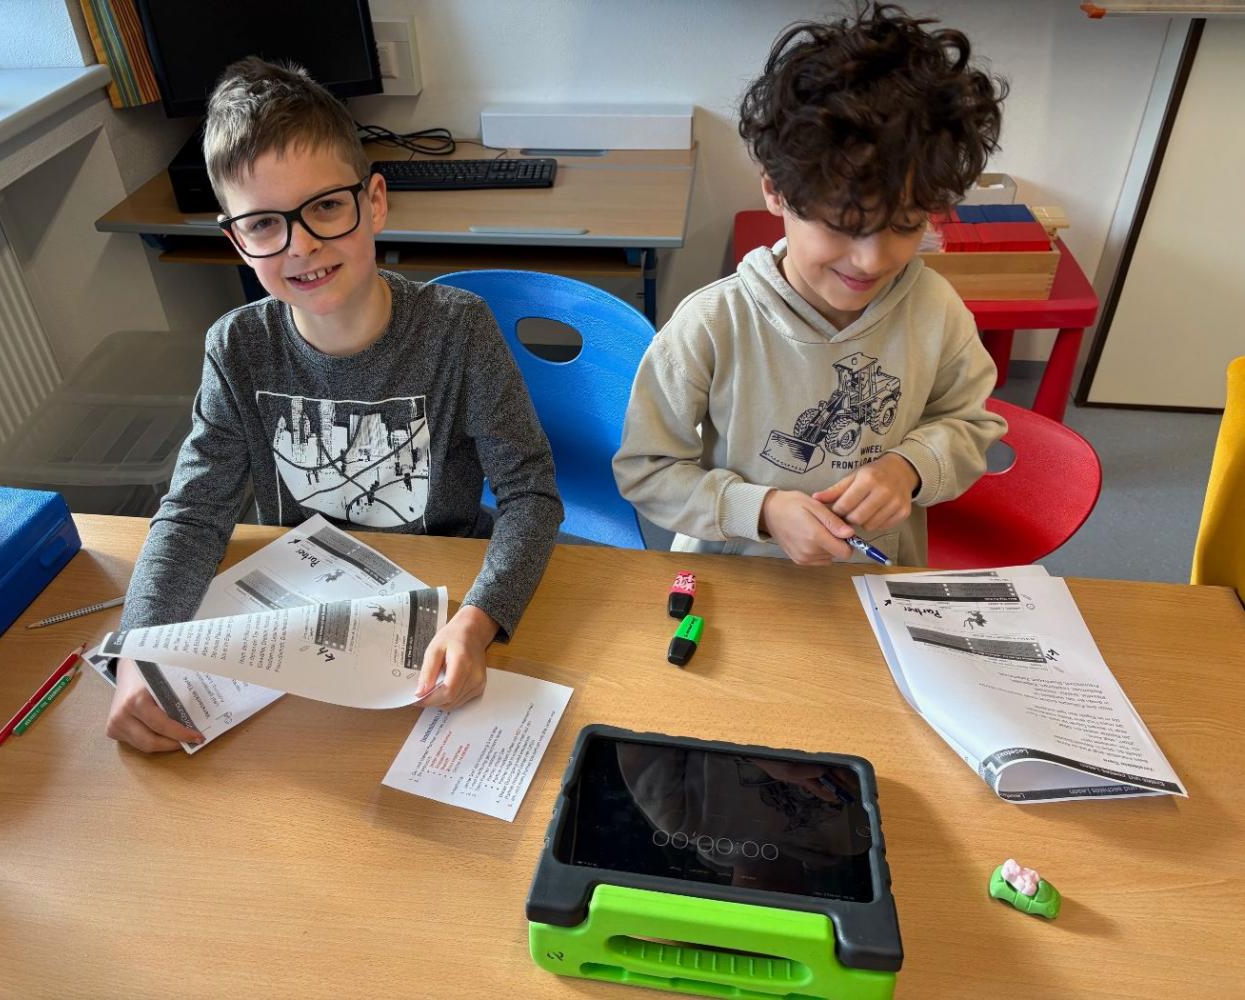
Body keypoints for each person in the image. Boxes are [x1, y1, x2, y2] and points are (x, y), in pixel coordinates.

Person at [106, 57, 562, 751]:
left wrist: (480, 619)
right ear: (236, 240)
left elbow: (530, 494)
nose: (302, 246)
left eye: (324, 207)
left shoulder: (458, 330)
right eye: (264, 224)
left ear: (373, 201)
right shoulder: (237, 346)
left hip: (441, 605)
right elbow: (193, 513)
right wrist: (139, 650)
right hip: (300, 627)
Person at [613, 3, 1008, 567]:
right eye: (844, 224)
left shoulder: (936, 310)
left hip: (874, 581)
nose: (872, 260)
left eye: (905, 225)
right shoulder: (712, 324)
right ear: (776, 191)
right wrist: (762, 509)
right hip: (734, 576)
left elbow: (969, 424)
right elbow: (646, 469)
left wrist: (909, 466)